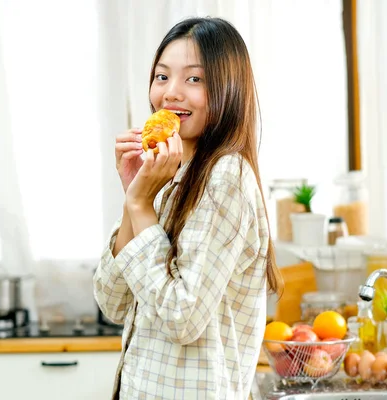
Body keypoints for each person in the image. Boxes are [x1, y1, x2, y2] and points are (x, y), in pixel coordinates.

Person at [93, 16, 281, 399]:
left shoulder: (226, 177)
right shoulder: (166, 180)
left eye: (194, 79)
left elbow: (183, 317)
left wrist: (140, 203)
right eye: (162, 77)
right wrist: (135, 196)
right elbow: (112, 302)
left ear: (228, 88)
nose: (170, 93)